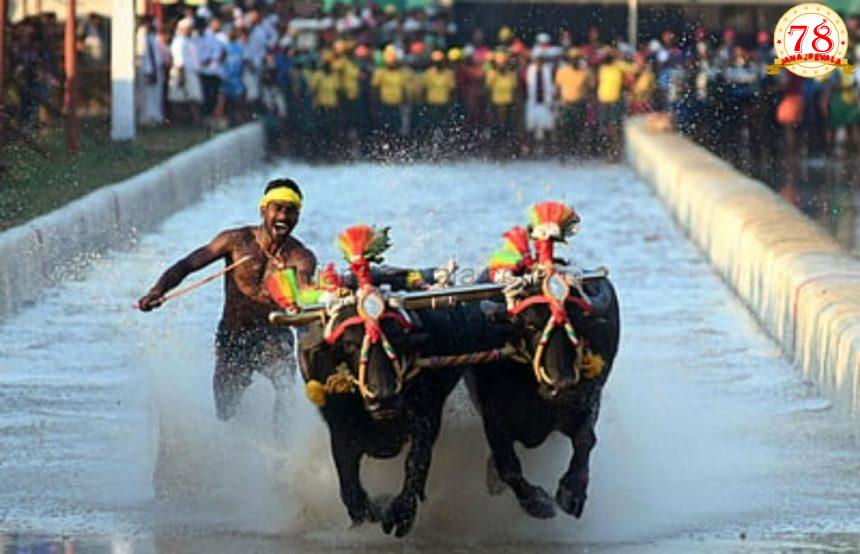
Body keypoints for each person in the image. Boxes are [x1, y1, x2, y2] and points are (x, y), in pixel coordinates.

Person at [137, 179, 317, 421]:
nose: (283, 216)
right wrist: (157, 290)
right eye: (278, 208)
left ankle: (283, 443)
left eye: (291, 211)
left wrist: (329, 292)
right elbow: (187, 265)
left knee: (285, 388)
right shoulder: (235, 241)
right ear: (263, 211)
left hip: (273, 335)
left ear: (298, 216)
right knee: (225, 410)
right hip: (233, 336)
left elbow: (305, 287)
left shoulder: (300, 256)